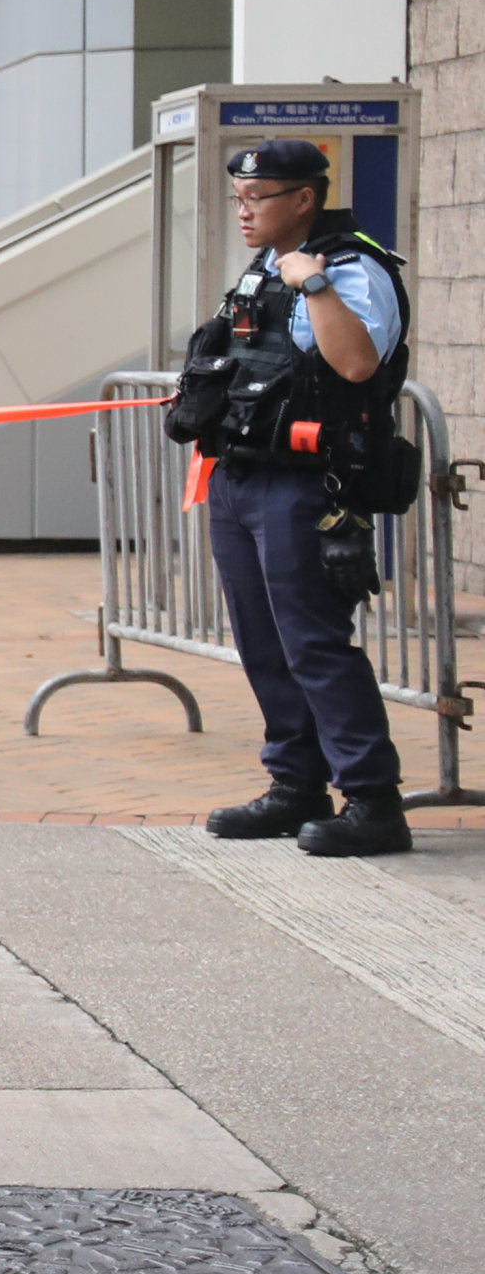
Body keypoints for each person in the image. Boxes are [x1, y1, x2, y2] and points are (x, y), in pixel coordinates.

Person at [180, 139, 414, 855]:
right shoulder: (261, 270)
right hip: (241, 476)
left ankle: (372, 801)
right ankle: (295, 786)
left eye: (258, 199)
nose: (244, 213)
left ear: (304, 199)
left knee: (314, 644)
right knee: (262, 644)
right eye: (239, 200)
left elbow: (354, 363)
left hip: (309, 482)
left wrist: (314, 285)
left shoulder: (350, 268)